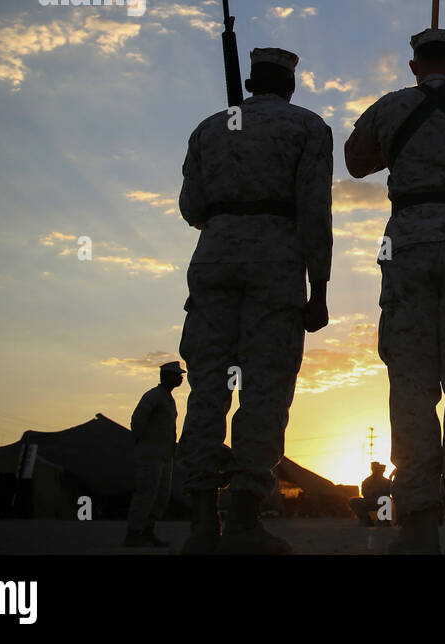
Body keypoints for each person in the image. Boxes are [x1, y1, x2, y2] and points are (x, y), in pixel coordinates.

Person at [346, 28, 445, 555]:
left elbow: (354, 161)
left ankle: (417, 519)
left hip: (408, 243)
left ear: (415, 66)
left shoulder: (389, 107)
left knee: (412, 387)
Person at [177, 46, 334, 554]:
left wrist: (229, 214)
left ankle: (202, 526)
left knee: (206, 389)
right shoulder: (307, 127)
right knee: (264, 390)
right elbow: (314, 212)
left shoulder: (208, 128)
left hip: (215, 255)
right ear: (290, 84)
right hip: (276, 261)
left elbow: (190, 207)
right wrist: (321, 287)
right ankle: (243, 522)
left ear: (249, 80)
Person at [124, 361, 184, 547]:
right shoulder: (153, 396)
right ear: (166, 376)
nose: (181, 378)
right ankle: (133, 533)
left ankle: (148, 531)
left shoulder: (168, 399)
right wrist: (142, 441)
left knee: (161, 495)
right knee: (146, 493)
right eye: (177, 375)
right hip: (150, 453)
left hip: (165, 455)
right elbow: (138, 419)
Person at [349, 462, 394, 527]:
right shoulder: (367, 481)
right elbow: (365, 493)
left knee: (387, 500)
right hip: (370, 501)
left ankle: (383, 521)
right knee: (352, 501)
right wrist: (374, 492)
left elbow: (390, 493)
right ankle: (366, 519)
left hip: (382, 501)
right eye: (375, 469)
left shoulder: (387, 482)